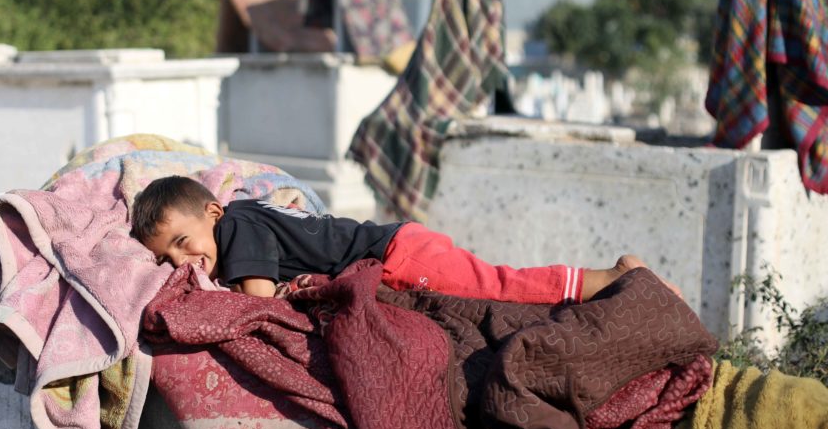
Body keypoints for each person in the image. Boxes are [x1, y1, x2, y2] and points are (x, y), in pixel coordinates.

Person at [131, 175, 678, 302]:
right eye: (166, 257)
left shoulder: (235, 230)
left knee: (496, 288)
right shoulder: (242, 211)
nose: (183, 259)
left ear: (211, 212)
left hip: (396, 255)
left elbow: (256, 301)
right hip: (399, 243)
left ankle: (618, 277)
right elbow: (275, 199)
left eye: (183, 241)